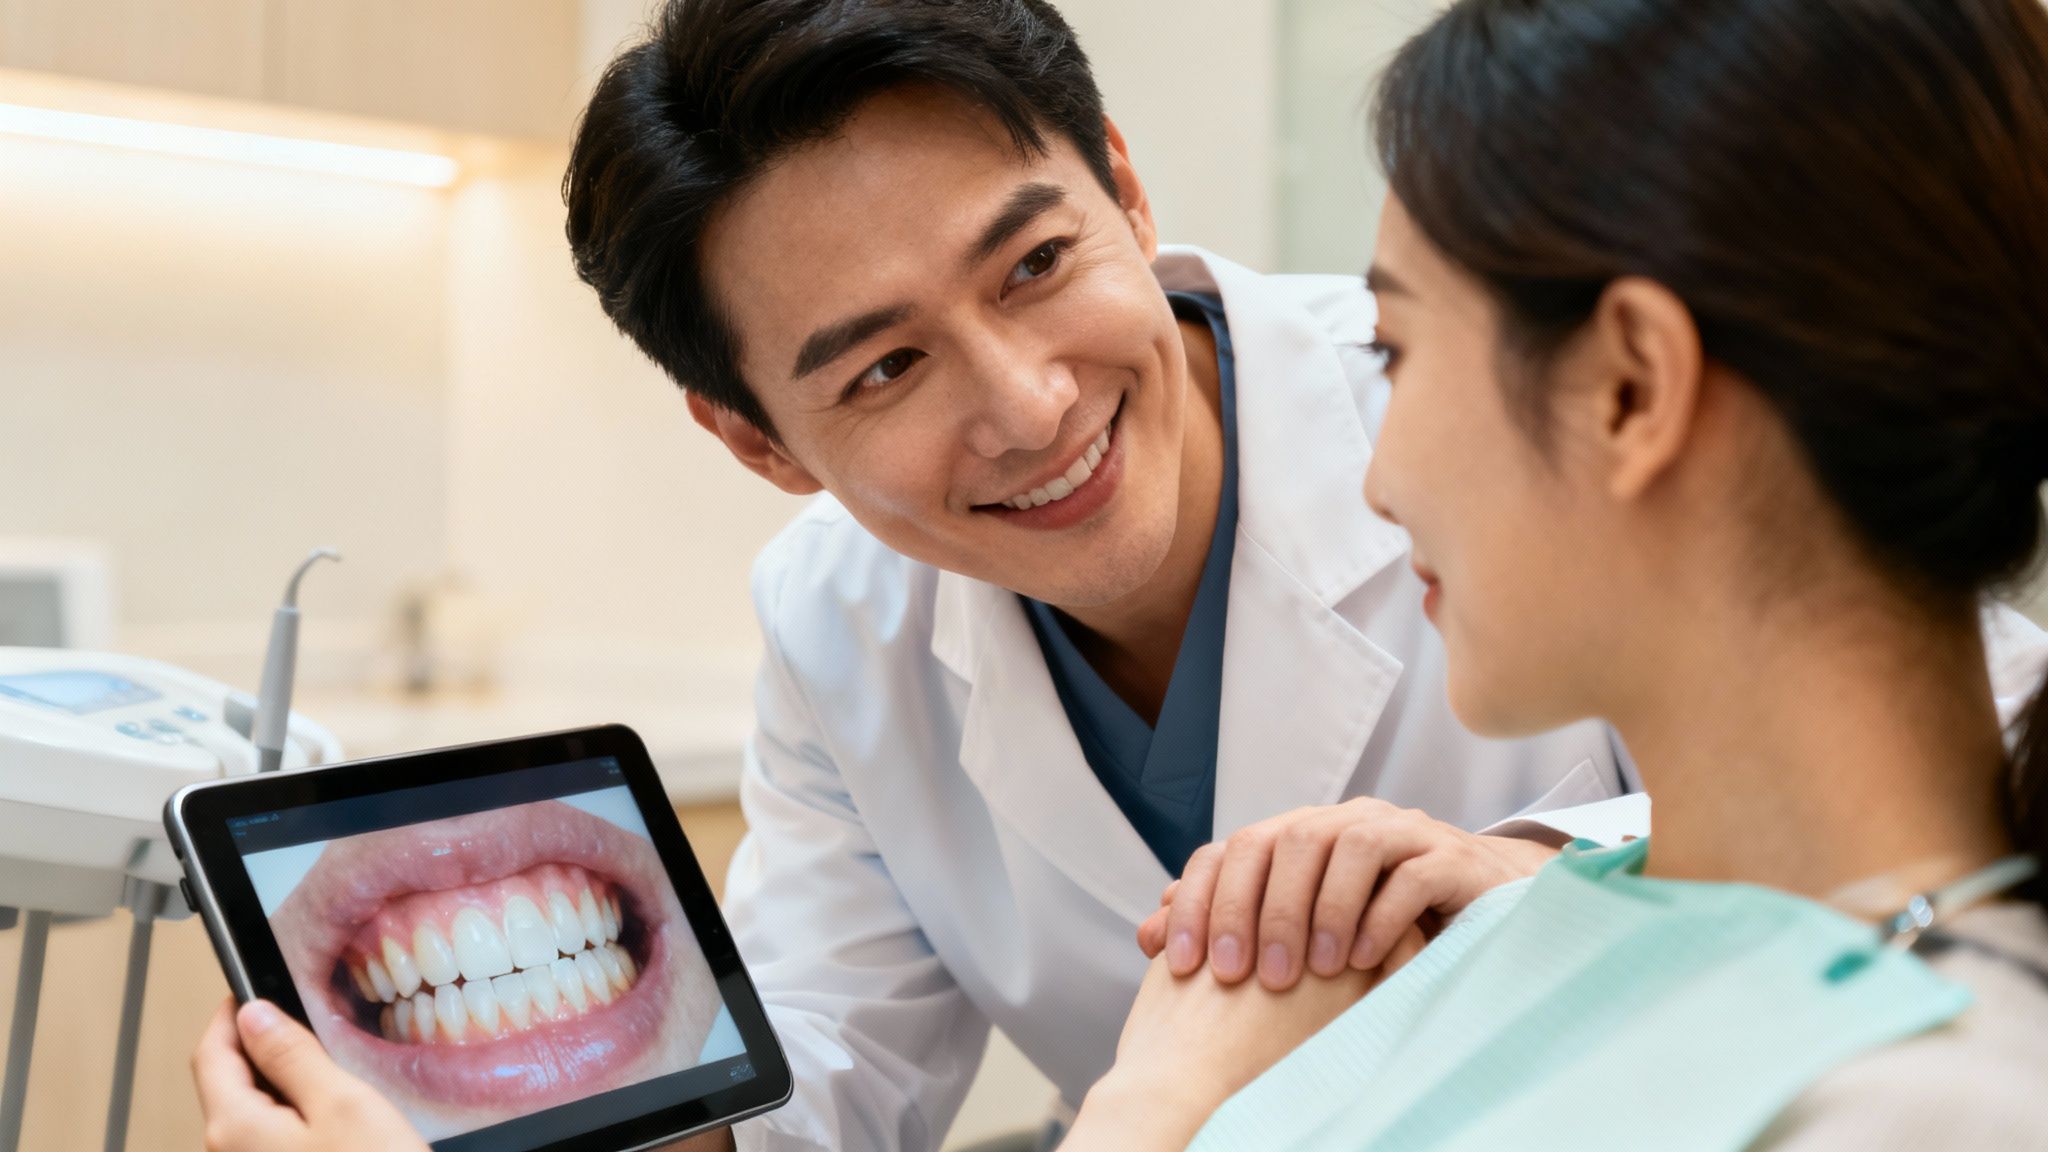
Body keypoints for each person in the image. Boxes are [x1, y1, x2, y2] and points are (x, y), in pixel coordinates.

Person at [187, 1, 2048, 1149]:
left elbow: (1924, 717)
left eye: (1030, 265)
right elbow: (819, 1086)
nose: (1027, 403)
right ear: (755, 438)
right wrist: (564, 1110)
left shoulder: (1901, 1061)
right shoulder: (837, 620)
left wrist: (1559, 883)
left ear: (1125, 191)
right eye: (882, 369)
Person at [1063, 0, 2048, 1147]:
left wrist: (1156, 1103)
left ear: (1628, 388)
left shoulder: (1922, 1100)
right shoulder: (1519, 919)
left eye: (1398, 348)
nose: (1376, 481)